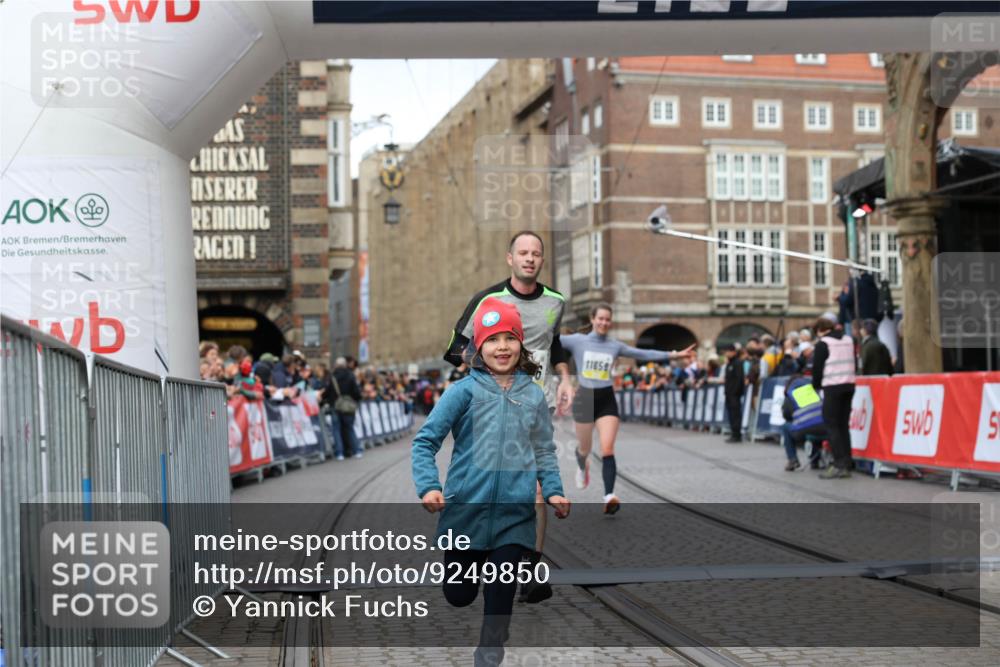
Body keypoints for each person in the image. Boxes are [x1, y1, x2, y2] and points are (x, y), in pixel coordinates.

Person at [413, 298, 569, 667]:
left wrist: (555, 489)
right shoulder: (462, 392)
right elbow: (425, 441)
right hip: (465, 513)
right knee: (459, 594)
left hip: (514, 516)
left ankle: (490, 652)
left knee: (499, 600)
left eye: (510, 338)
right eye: (493, 339)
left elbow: (544, 450)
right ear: (478, 347)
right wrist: (428, 486)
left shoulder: (532, 394)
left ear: (521, 344)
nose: (503, 347)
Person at [443, 230, 574, 604]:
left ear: (542, 260)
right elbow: (455, 349)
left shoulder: (555, 301)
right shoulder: (487, 300)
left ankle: (530, 570)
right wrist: (494, 366)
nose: (529, 259)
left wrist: (564, 379)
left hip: (535, 403)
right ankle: (483, 548)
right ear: (510, 259)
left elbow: (556, 343)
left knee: (534, 487)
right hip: (492, 404)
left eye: (536, 253)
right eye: (523, 253)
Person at [561, 303, 693, 514]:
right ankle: (582, 464)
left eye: (607, 319)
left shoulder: (615, 346)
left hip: (606, 400)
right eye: (601, 318)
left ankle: (609, 496)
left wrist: (674, 355)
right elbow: (547, 339)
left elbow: (643, 353)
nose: (604, 323)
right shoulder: (577, 341)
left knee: (607, 449)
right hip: (585, 400)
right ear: (593, 319)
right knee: (584, 449)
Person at [812, 316, 857, 479]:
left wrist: (816, 386)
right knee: (843, 425)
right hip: (849, 385)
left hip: (832, 386)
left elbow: (817, 369)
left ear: (819, 330)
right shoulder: (848, 339)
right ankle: (848, 461)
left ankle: (839, 464)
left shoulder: (823, 344)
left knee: (832, 425)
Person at [780, 374, 826, 471]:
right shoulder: (813, 389)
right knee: (814, 424)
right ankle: (815, 461)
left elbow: (786, 415)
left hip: (803, 431)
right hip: (824, 428)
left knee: (786, 427)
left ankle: (793, 460)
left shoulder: (791, 393)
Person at [323, 356, 363, 460]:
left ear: (336, 365)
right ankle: (356, 450)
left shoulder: (333, 377)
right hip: (348, 406)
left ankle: (339, 453)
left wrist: (324, 398)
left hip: (335, 405)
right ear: (345, 365)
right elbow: (356, 392)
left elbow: (327, 392)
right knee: (349, 428)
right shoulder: (350, 376)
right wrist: (355, 400)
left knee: (336, 430)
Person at [722, 343, 745, 443]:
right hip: (728, 393)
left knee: (735, 414)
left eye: (728, 351)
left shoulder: (737, 363)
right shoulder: (729, 364)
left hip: (734, 394)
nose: (726, 353)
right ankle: (733, 433)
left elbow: (740, 379)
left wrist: (735, 392)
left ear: (733, 352)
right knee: (731, 414)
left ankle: (737, 434)